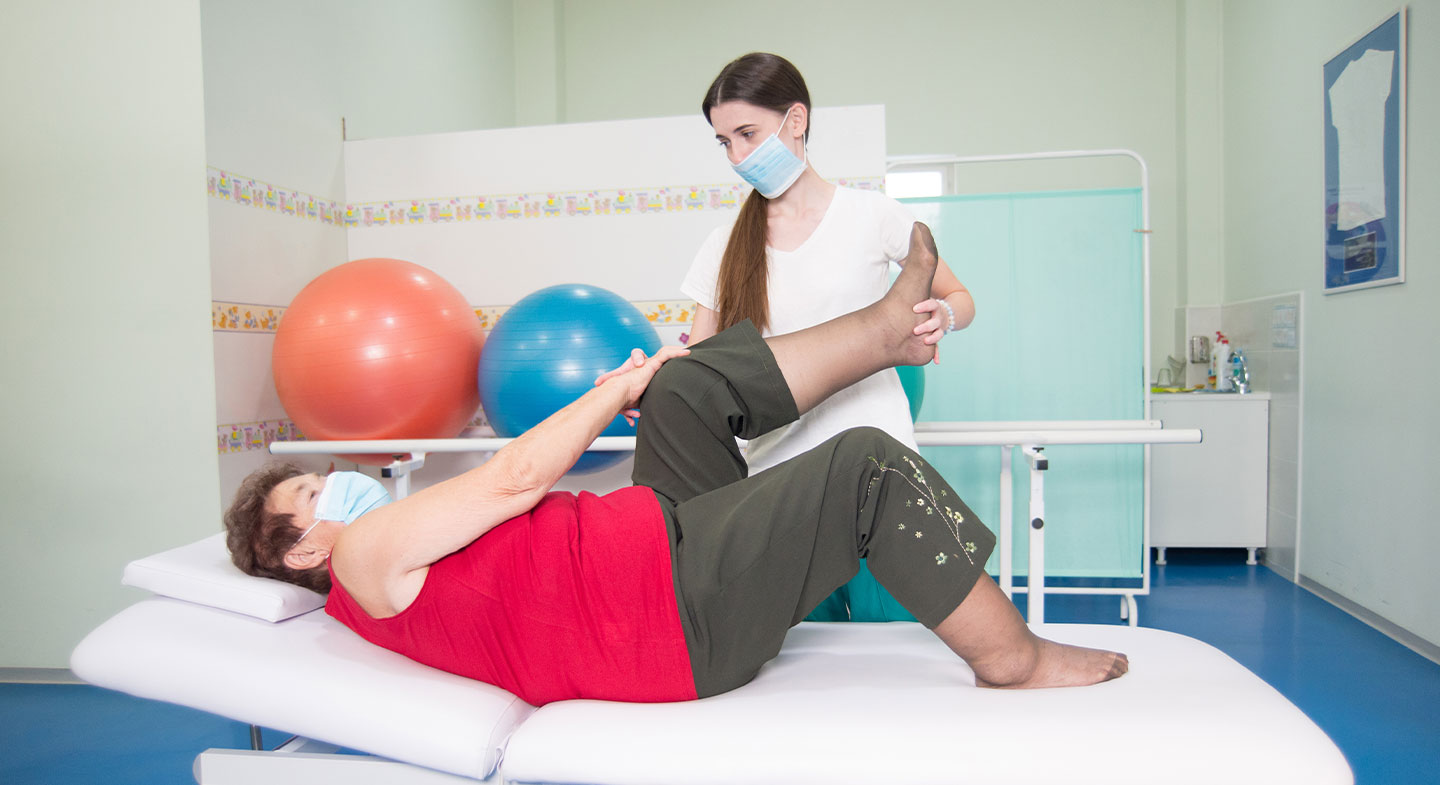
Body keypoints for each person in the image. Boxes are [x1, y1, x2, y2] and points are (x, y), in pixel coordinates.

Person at [225, 225, 1126, 707]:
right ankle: (1011, 657)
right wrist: (613, 388)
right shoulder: (359, 555)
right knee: (864, 468)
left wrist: (650, 386)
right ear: (302, 551)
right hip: (663, 617)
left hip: (653, 547)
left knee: (689, 384)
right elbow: (513, 479)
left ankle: (885, 331)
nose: (334, 481)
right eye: (312, 491)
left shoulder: (373, 559)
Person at [682, 52, 975, 620]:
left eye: (748, 134)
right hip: (779, 488)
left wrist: (945, 315)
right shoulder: (724, 245)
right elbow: (700, 366)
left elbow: (960, 298)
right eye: (725, 143)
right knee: (801, 676)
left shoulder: (872, 216)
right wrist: (652, 382)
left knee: (901, 652)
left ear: (796, 120)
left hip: (880, 475)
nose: (738, 157)